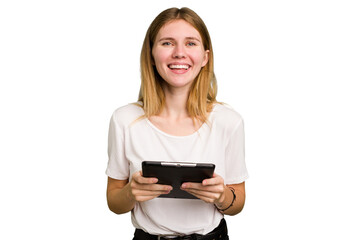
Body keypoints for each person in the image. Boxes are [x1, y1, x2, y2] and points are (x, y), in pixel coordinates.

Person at [106, 7, 248, 240]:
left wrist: (222, 197)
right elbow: (114, 201)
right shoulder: (124, 119)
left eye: (191, 43)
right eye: (167, 43)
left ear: (205, 57)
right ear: (151, 55)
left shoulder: (228, 121)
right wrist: (131, 193)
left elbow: (238, 201)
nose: (179, 53)